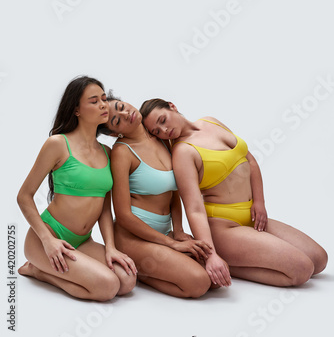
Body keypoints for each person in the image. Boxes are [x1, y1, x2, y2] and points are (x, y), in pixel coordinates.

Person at [140, 99, 328, 287]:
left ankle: (233, 259)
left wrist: (259, 202)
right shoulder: (182, 153)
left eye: (163, 120)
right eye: (157, 131)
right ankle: (222, 261)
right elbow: (194, 208)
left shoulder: (210, 121)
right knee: (302, 270)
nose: (164, 130)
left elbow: (250, 160)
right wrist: (211, 253)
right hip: (224, 228)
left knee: (319, 260)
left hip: (253, 215)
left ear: (172, 106)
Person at [17, 76, 136, 301]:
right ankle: (38, 270)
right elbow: (24, 196)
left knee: (127, 281)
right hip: (47, 238)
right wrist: (47, 240)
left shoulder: (107, 153)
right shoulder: (58, 144)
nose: (103, 104)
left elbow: (103, 209)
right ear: (76, 110)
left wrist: (110, 247)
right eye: (93, 101)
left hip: (83, 241)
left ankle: (53, 269)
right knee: (108, 287)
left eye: (103, 98)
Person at [98, 91, 224, 297]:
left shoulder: (162, 137)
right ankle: (142, 273)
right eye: (116, 121)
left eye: (121, 106)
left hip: (166, 232)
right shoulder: (122, 152)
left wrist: (179, 230)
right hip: (133, 238)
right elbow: (123, 216)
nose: (125, 113)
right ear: (114, 133)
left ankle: (159, 265)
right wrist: (172, 244)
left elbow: (174, 191)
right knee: (199, 283)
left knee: (215, 280)